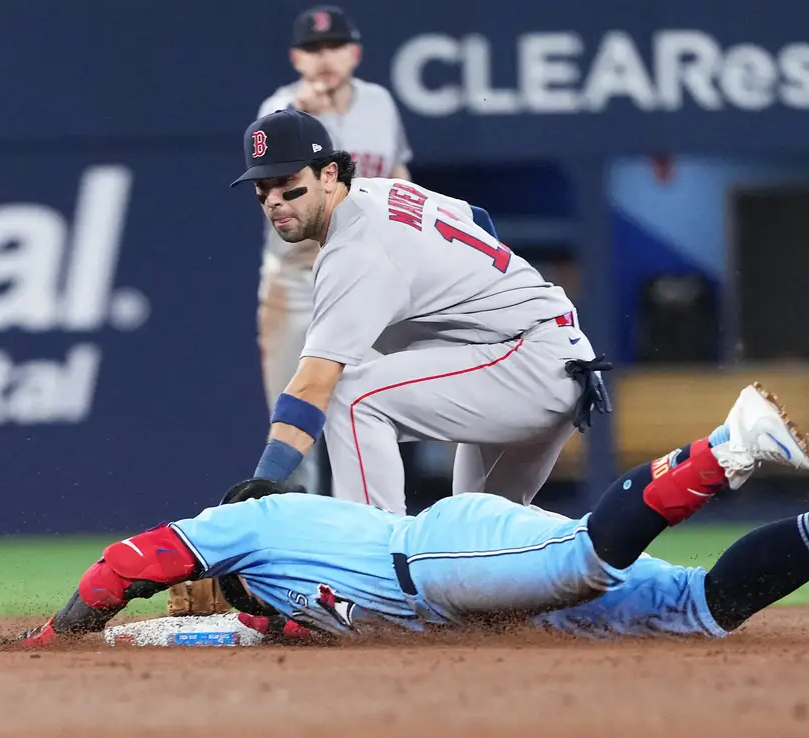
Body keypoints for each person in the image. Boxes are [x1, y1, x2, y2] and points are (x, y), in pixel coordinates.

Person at [2, 385, 809, 649]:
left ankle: (729, 444)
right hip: (468, 594)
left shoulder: (246, 526)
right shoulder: (275, 608)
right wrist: (145, 645)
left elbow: (126, 563)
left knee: (584, 562)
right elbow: (212, 634)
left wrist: (62, 635)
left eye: (198, 581)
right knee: (699, 609)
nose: (197, 591)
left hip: (442, 557)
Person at [233, 107, 612, 516]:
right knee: (474, 536)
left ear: (328, 175)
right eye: (262, 187)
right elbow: (479, 221)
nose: (274, 200)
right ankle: (610, 567)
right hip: (538, 357)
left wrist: (268, 478)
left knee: (353, 397)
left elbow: (314, 385)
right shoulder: (383, 191)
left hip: (528, 360)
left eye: (288, 183)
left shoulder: (356, 249)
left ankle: (372, 559)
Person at [255, 5, 413, 496]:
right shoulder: (280, 114)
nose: (325, 57)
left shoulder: (380, 103)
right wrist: (300, 114)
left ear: (355, 52)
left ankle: (369, 522)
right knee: (292, 412)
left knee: (367, 407)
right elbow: (274, 198)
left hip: (369, 277)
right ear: (296, 57)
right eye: (313, 48)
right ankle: (297, 538)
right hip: (297, 282)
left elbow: (401, 174)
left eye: (334, 46)